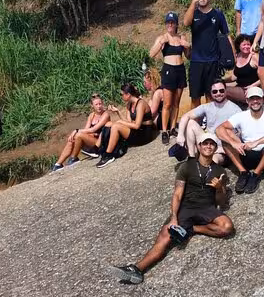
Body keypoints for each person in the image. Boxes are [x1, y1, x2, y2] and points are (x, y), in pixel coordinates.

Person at [107, 132, 234, 285]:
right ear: (199, 146)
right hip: (186, 207)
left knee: (226, 228)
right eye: (205, 143)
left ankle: (192, 229)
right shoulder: (187, 166)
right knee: (165, 236)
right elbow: (177, 194)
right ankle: (136, 269)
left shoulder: (220, 171)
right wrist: (174, 217)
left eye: (212, 144)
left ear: (215, 148)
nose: (208, 146)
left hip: (207, 207)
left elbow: (221, 202)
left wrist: (220, 188)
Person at [216, 86, 264, 194]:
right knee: (226, 136)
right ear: (247, 101)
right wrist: (234, 143)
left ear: (263, 99)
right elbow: (219, 129)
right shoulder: (241, 115)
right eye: (252, 99)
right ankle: (243, 172)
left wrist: (256, 142)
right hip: (246, 153)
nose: (255, 101)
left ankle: (256, 174)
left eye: (258, 98)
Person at [183, 0, 232, 110]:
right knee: (195, 97)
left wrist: (234, 55)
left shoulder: (218, 14)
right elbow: (185, 22)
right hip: (196, 62)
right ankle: (196, 122)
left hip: (213, 61)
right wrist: (194, 1)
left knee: (211, 95)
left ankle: (210, 122)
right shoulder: (193, 13)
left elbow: (227, 35)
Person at [176, 79, 242, 164]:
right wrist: (180, 135)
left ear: (226, 91)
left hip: (222, 148)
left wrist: (229, 146)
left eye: (221, 90)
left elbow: (241, 133)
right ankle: (191, 159)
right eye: (215, 91)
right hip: (208, 141)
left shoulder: (235, 109)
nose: (218, 93)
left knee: (211, 162)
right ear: (211, 93)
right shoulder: (207, 107)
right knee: (190, 123)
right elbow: (186, 116)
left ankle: (205, 163)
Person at [149, 12, 190, 145]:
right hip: (168, 70)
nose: (170, 24)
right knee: (167, 103)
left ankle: (173, 128)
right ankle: (164, 131)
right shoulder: (162, 37)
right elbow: (151, 54)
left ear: (176, 24)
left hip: (180, 70)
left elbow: (188, 55)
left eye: (172, 22)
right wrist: (160, 43)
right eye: (168, 22)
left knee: (176, 103)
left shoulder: (181, 37)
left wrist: (187, 46)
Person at [96, 84, 154, 168]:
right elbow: (128, 122)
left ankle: (109, 155)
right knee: (109, 124)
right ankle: (103, 149)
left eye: (121, 94)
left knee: (116, 126)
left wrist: (119, 122)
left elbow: (137, 125)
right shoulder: (129, 105)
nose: (121, 96)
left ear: (128, 95)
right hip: (137, 131)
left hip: (144, 134)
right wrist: (118, 111)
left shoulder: (141, 104)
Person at [52, 93, 110, 171]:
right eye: (96, 104)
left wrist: (76, 131)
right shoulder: (91, 115)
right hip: (92, 140)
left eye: (100, 104)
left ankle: (73, 158)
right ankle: (58, 164)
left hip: (100, 143)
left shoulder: (105, 115)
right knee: (72, 139)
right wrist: (78, 133)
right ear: (92, 106)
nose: (99, 106)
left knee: (78, 135)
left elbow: (93, 129)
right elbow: (86, 130)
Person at [225, 34, 260, 104]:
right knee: (216, 86)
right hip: (239, 87)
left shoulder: (254, 57)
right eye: (244, 45)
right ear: (238, 46)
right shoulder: (237, 57)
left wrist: (253, 85)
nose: (246, 47)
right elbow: (234, 77)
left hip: (251, 89)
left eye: (248, 44)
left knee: (222, 90)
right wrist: (222, 81)